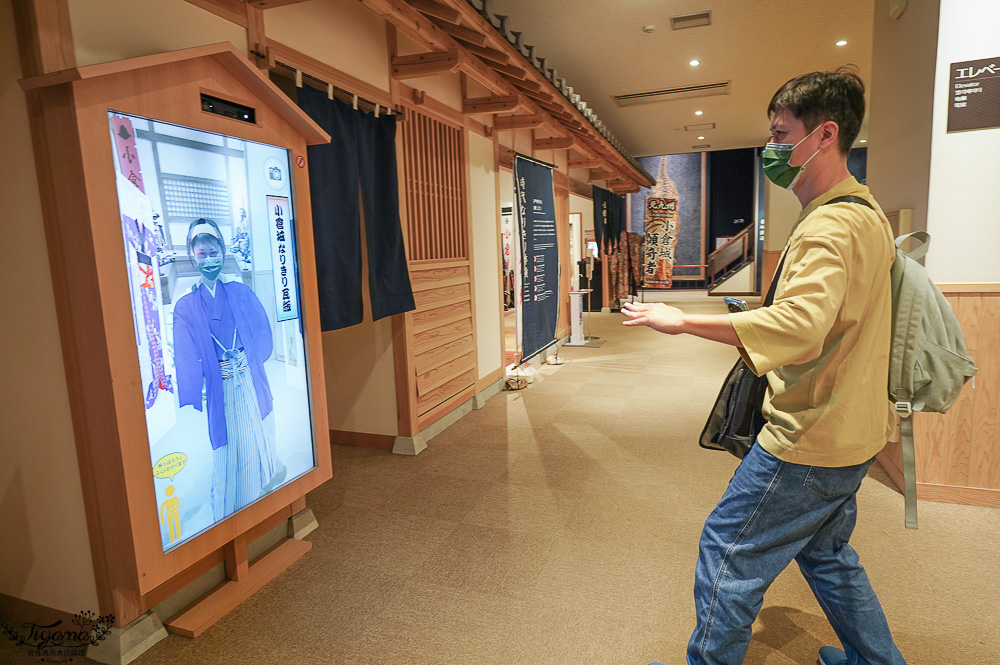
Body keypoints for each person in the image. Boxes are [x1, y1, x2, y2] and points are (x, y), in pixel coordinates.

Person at [623, 68, 906, 665]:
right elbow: (831, 317)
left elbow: (800, 327)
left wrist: (684, 321)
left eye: (782, 135)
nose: (772, 149)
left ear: (825, 135)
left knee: (728, 547)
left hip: (809, 435)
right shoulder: (867, 214)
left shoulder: (829, 224)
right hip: (856, 429)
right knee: (827, 554)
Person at [173, 218, 286, 522]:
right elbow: (184, 353)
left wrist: (249, 358)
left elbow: (263, 331)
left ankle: (263, 480)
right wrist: (210, 369)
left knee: (257, 429)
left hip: (248, 378)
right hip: (221, 386)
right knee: (231, 440)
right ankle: (235, 501)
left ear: (223, 252)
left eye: (214, 253)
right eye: (201, 254)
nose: (209, 260)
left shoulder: (240, 292)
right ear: (192, 255)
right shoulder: (185, 306)